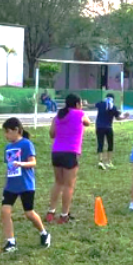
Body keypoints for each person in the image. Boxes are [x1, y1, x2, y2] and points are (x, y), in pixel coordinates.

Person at [0, 118, 50, 252]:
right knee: (5, 211)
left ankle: (44, 233)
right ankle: (11, 242)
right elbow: (10, 167)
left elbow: (33, 163)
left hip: (26, 185)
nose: (6, 135)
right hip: (11, 186)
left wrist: (21, 164)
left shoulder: (27, 144)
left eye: (8, 132)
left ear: (16, 130)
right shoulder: (8, 147)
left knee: (29, 213)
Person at [46, 94, 91, 224]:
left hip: (56, 152)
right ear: (77, 104)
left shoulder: (58, 116)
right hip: (70, 152)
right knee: (68, 185)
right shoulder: (79, 114)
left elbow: (52, 134)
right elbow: (88, 123)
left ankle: (51, 212)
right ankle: (64, 215)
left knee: (58, 182)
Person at [95, 94, 130, 170]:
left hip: (99, 127)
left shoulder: (100, 103)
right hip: (108, 127)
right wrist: (125, 117)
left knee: (100, 143)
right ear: (113, 99)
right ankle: (109, 162)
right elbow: (118, 118)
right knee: (110, 144)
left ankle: (100, 161)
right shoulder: (113, 107)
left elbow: (94, 105)